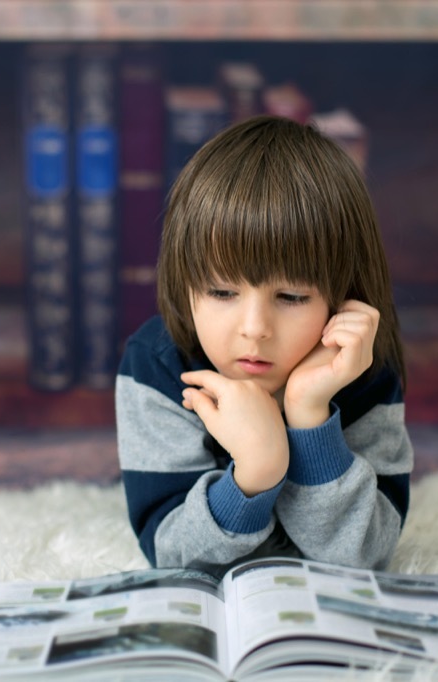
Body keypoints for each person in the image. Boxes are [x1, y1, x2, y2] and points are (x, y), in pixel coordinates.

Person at [116, 114, 413, 578]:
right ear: (184, 282)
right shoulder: (156, 363)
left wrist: (308, 415)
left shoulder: (362, 366)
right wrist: (254, 472)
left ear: (343, 293)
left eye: (291, 297)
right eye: (221, 292)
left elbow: (364, 558)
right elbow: (172, 556)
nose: (254, 329)